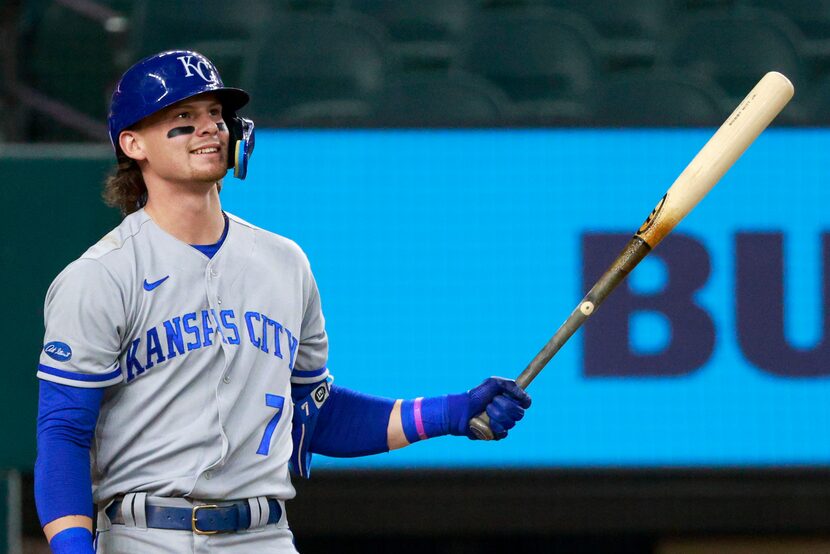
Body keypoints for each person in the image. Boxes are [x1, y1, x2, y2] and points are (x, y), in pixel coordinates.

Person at [35, 50, 531, 554]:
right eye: (184, 117)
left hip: (265, 536)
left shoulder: (284, 262)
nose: (210, 128)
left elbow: (313, 413)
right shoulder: (101, 276)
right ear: (132, 143)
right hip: (147, 535)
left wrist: (450, 413)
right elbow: (63, 436)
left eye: (215, 114)